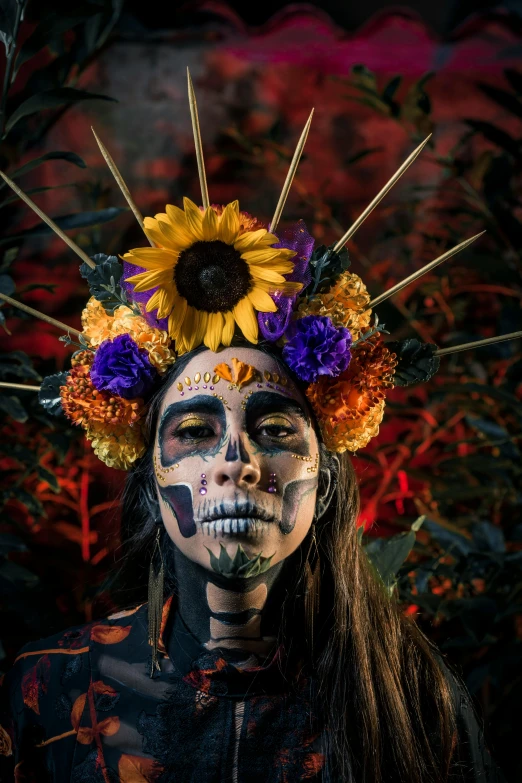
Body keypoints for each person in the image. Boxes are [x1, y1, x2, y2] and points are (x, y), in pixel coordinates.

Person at [0, 78, 512, 782]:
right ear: (149, 478)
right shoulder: (52, 692)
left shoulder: (411, 698)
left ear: (326, 483)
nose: (235, 461)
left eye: (274, 429)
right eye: (192, 431)